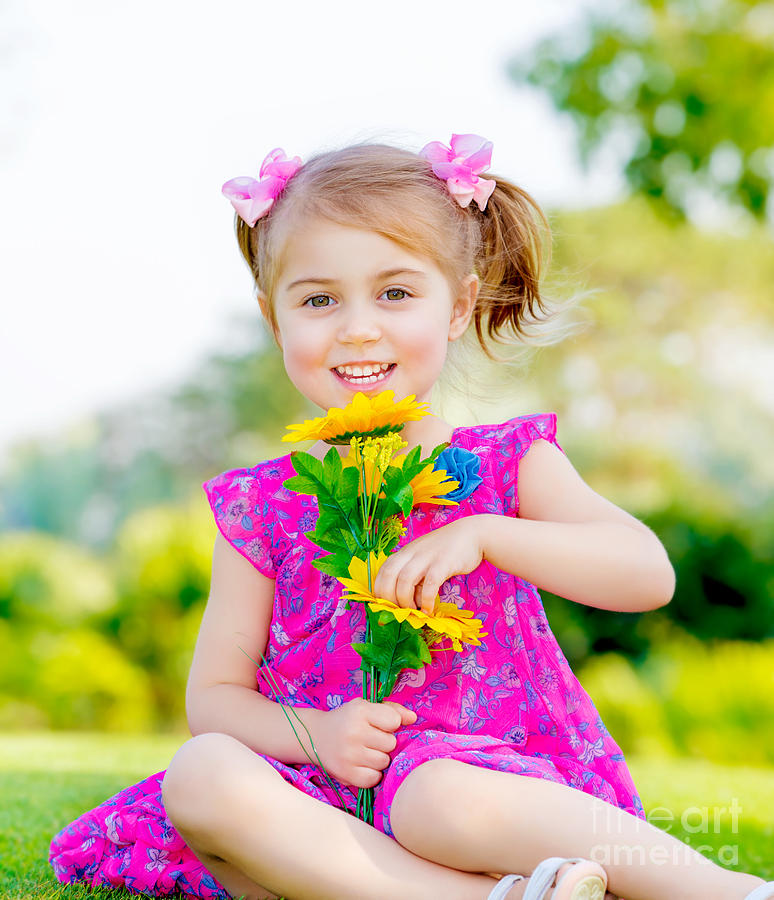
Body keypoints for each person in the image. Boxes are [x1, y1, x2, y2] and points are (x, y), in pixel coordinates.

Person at [49, 135, 774, 900]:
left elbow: (646, 574)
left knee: (434, 798)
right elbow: (215, 700)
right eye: (318, 299)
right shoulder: (263, 507)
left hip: (496, 796)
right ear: (274, 319)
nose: (358, 327)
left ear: (458, 306)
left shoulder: (504, 465)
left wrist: (487, 534)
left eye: (395, 293)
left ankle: (722, 891)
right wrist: (319, 737)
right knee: (201, 778)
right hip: (331, 807)